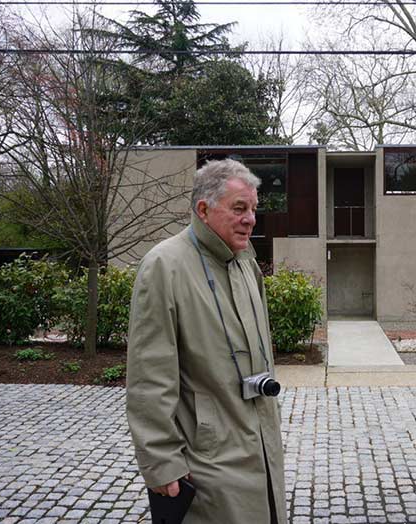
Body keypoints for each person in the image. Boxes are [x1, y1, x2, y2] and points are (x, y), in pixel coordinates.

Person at [126, 159, 286, 524]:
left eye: (254, 209)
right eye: (239, 209)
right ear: (204, 209)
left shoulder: (246, 261)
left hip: (260, 448)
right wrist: (162, 461)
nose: (251, 219)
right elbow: (149, 377)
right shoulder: (164, 266)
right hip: (206, 461)